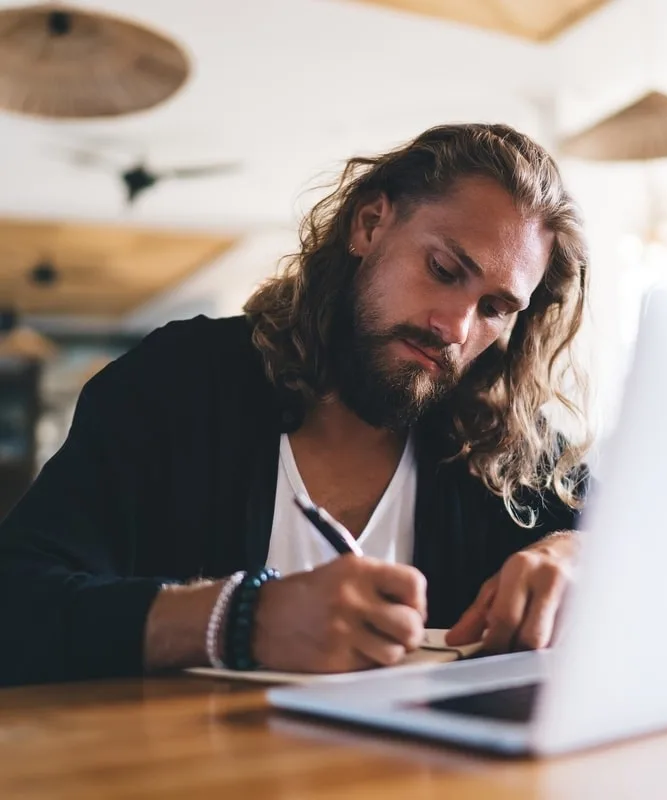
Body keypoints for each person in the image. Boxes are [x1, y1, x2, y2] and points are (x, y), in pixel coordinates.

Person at [0, 123, 591, 686]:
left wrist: (578, 554)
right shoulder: (178, 381)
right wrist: (239, 620)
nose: (456, 328)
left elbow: (650, 547)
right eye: (443, 269)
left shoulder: (503, 446)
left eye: (494, 309)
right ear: (369, 224)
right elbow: (18, 604)